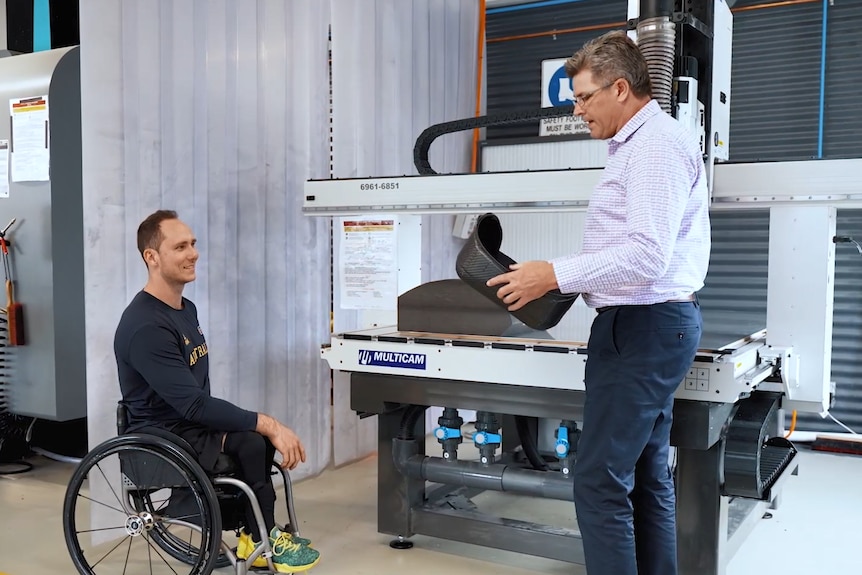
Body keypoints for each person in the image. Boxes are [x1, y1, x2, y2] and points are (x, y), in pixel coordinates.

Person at [486, 31, 709, 575]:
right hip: (644, 326)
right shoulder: (640, 145)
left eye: (584, 97)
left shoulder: (655, 146)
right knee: (645, 475)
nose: (577, 109)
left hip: (643, 328)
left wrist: (554, 274)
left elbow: (646, 257)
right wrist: (557, 279)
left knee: (598, 480)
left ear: (620, 87)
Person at [114, 209, 320, 573]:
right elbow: (192, 403)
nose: (193, 253)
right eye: (180, 246)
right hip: (163, 434)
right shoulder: (146, 326)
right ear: (152, 257)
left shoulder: (184, 309)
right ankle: (262, 536)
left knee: (253, 441)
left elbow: (196, 395)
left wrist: (253, 426)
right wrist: (267, 423)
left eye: (193, 244)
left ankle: (256, 536)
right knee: (255, 436)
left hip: (186, 423)